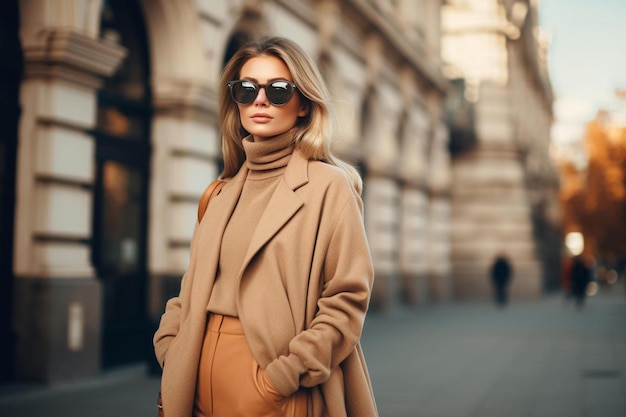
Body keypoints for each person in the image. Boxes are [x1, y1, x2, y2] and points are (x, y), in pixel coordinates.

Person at [153, 36, 378, 417]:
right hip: (194, 383)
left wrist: (281, 377)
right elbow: (190, 289)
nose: (259, 100)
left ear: (304, 103)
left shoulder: (329, 186)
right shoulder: (221, 193)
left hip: (276, 388)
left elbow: (347, 298)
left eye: (277, 90)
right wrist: (170, 347)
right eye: (246, 89)